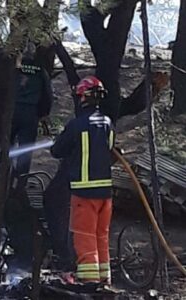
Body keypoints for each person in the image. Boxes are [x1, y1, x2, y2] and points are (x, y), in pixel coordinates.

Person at [50, 76, 115, 287]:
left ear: (82, 98)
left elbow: (57, 151)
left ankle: (89, 280)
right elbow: (110, 151)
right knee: (101, 236)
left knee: (84, 236)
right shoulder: (107, 123)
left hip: (84, 192)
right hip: (106, 192)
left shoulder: (77, 124)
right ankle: (104, 277)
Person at [11, 43, 54, 188]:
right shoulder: (40, 71)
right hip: (30, 113)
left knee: (7, 146)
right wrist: (43, 114)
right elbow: (47, 95)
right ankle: (21, 183)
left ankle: (6, 177)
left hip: (12, 112)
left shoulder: (14, 69)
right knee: (26, 149)